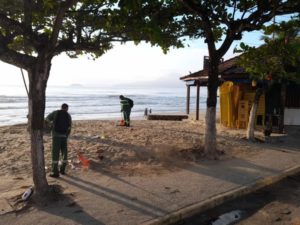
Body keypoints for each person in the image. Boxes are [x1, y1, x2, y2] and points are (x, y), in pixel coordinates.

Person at [46, 103, 72, 178]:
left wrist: (51, 125)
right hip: (64, 136)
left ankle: (55, 172)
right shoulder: (68, 115)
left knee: (55, 153)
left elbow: (46, 120)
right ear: (67, 108)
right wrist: (66, 136)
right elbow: (69, 127)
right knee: (64, 153)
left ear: (61, 107)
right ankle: (62, 170)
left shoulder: (55, 113)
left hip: (56, 136)